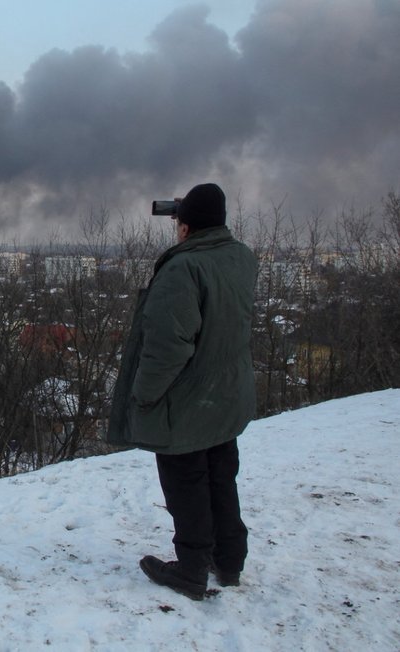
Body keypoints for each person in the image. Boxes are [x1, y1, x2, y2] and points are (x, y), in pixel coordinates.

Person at [107, 182, 257, 601]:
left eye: (179, 222)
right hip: (224, 396)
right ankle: (228, 561)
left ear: (186, 229)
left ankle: (191, 569)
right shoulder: (240, 257)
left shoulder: (182, 270)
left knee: (186, 484)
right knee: (221, 478)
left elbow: (167, 347)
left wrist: (145, 395)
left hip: (186, 403)